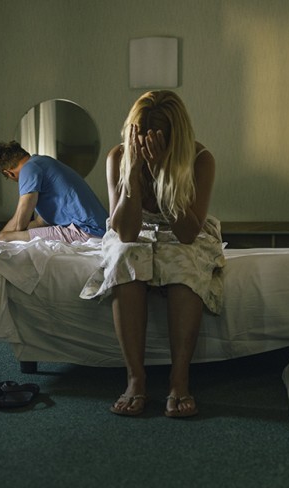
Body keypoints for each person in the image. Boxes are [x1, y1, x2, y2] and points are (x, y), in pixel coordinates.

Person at [80, 90, 225, 418]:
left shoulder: (201, 159)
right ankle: (136, 379)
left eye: (157, 142)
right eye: (141, 140)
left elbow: (188, 234)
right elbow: (127, 234)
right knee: (124, 259)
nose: (147, 148)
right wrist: (132, 171)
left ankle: (179, 379)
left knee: (185, 266)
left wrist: (162, 173)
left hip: (183, 228)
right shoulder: (118, 157)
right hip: (134, 226)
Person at [0, 141, 108, 242]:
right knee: (5, 236)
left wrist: (0, 236)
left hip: (87, 232)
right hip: (100, 230)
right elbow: (40, 222)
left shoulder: (28, 169)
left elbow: (20, 223)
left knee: (3, 239)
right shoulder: (44, 162)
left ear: (8, 173)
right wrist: (4, 233)